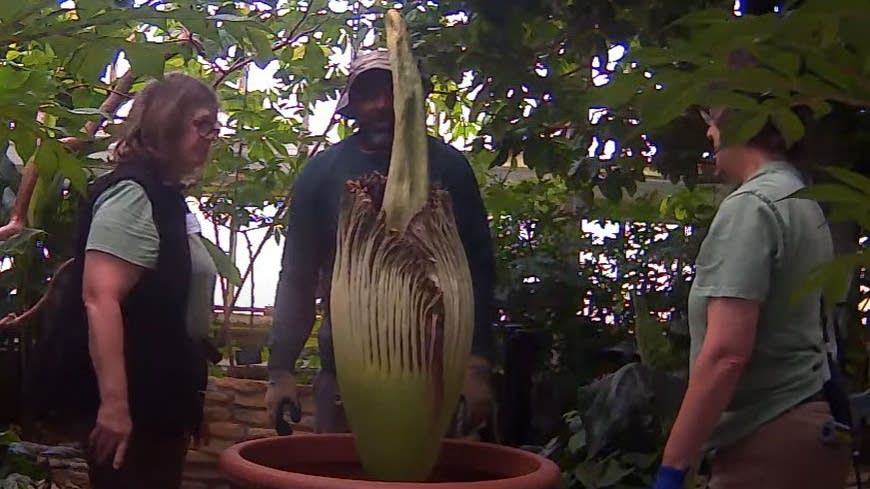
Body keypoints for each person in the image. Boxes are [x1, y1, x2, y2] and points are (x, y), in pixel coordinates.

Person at [265, 50, 496, 437]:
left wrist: (476, 364)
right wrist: (280, 369)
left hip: (438, 377)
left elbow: (478, 268)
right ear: (352, 105)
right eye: (369, 94)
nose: (382, 105)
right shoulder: (322, 174)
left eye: (393, 91)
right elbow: (298, 276)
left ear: (414, 98)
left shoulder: (449, 169)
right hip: (347, 379)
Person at [29, 73, 221, 489]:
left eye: (215, 127)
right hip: (133, 404)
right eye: (201, 123)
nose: (211, 136)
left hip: (158, 399)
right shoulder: (133, 193)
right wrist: (115, 407)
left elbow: (175, 305)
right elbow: (101, 298)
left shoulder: (167, 196)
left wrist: (189, 401)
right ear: (167, 121)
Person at [652, 107, 850, 489]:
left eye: (711, 120)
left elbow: (727, 354)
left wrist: (672, 468)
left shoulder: (752, 206)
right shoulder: (804, 200)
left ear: (741, 122)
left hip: (768, 440)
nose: (708, 133)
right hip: (813, 427)